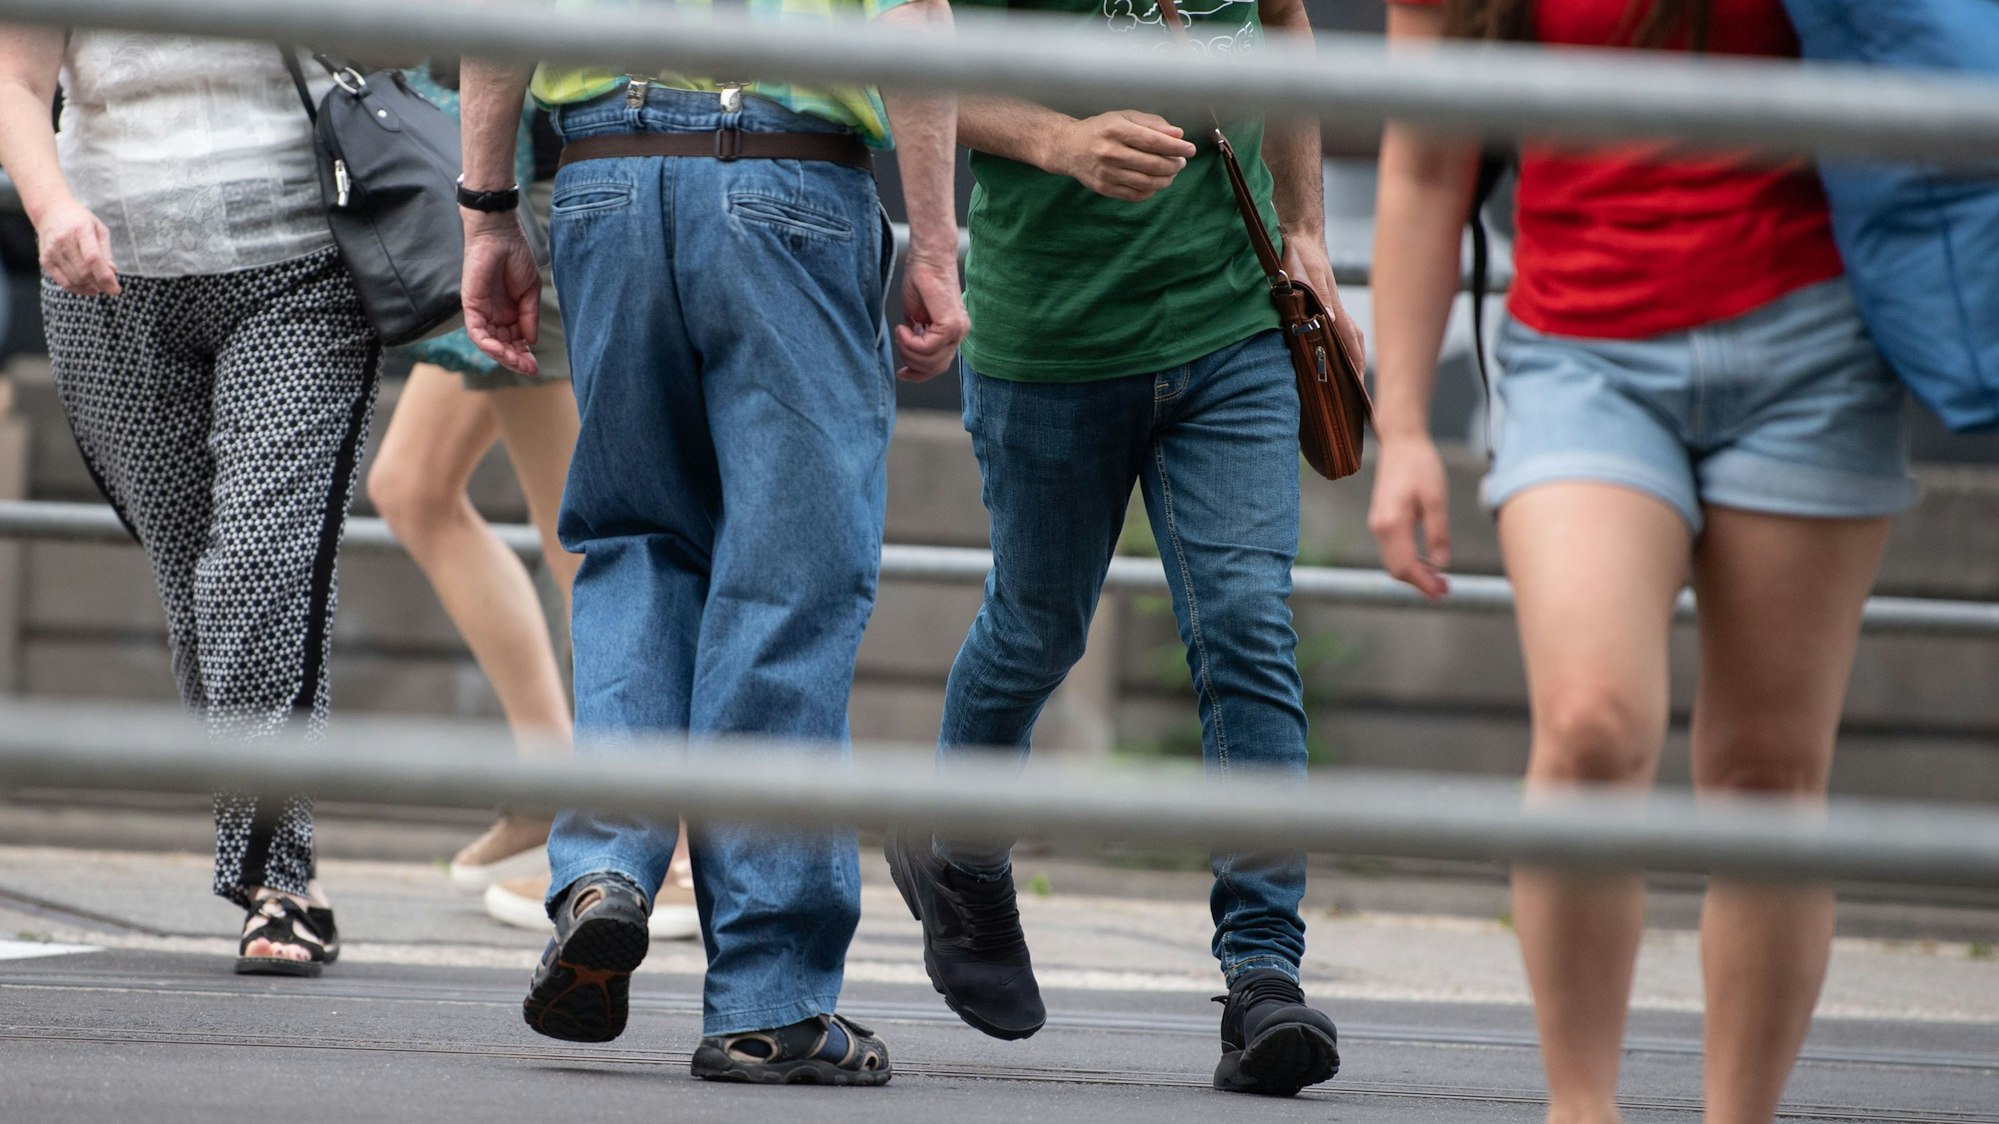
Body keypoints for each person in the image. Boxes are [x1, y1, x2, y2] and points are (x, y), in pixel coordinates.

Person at [1368, 2, 1914, 1122]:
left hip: (1814, 339)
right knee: (1587, 723)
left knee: (1765, 772)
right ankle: (1582, 1109)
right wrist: (1407, 427)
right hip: (1580, 350)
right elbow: (1426, 161)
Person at [457, 0, 966, 1085]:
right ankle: (768, 998)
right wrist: (932, 235)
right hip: (786, 164)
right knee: (789, 575)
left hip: (601, 166)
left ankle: (605, 868)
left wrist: (488, 207)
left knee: (638, 540)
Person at [880, 0, 1360, 1098]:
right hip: (1049, 335)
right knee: (1037, 624)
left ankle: (1263, 970)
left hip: (1228, 322)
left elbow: (1284, 24)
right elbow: (916, 57)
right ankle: (959, 851)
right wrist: (1056, 138)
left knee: (1245, 619)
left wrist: (1307, 230)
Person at [0, 31, 385, 974]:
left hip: (301, 262)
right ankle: (283, 859)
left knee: (258, 565)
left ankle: (273, 880)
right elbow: (16, 74)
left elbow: (393, 43)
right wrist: (50, 209)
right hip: (105, 280)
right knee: (200, 588)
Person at [361, 60, 702, 941]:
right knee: (414, 487)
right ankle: (558, 783)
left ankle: (652, 847)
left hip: (536, 202)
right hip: (528, 186)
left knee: (593, 540)